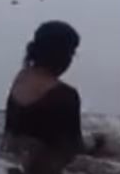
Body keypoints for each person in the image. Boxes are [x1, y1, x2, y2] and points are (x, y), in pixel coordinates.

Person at [5, 20, 94, 154]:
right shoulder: (64, 95)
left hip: (15, 162)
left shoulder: (22, 77)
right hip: (47, 168)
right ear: (62, 56)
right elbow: (75, 151)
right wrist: (100, 144)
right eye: (71, 54)